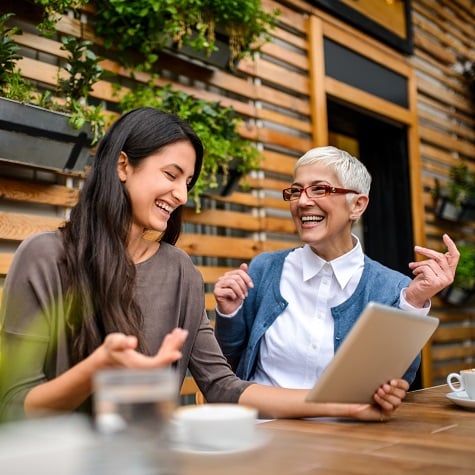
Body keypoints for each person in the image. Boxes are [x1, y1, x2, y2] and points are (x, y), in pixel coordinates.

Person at [0, 111, 408, 424]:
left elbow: (223, 386)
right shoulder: (47, 256)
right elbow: (15, 407)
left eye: (188, 182)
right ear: (123, 166)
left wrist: (349, 405)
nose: (180, 195)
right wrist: (97, 367)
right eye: (171, 175)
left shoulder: (180, 271)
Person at [214, 146, 459, 391]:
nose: (303, 201)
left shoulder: (394, 288)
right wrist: (229, 313)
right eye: (296, 191)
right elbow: (229, 364)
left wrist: (413, 304)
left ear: (358, 206)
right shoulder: (264, 269)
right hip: (264, 424)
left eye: (320, 189)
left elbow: (395, 382)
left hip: (343, 428)